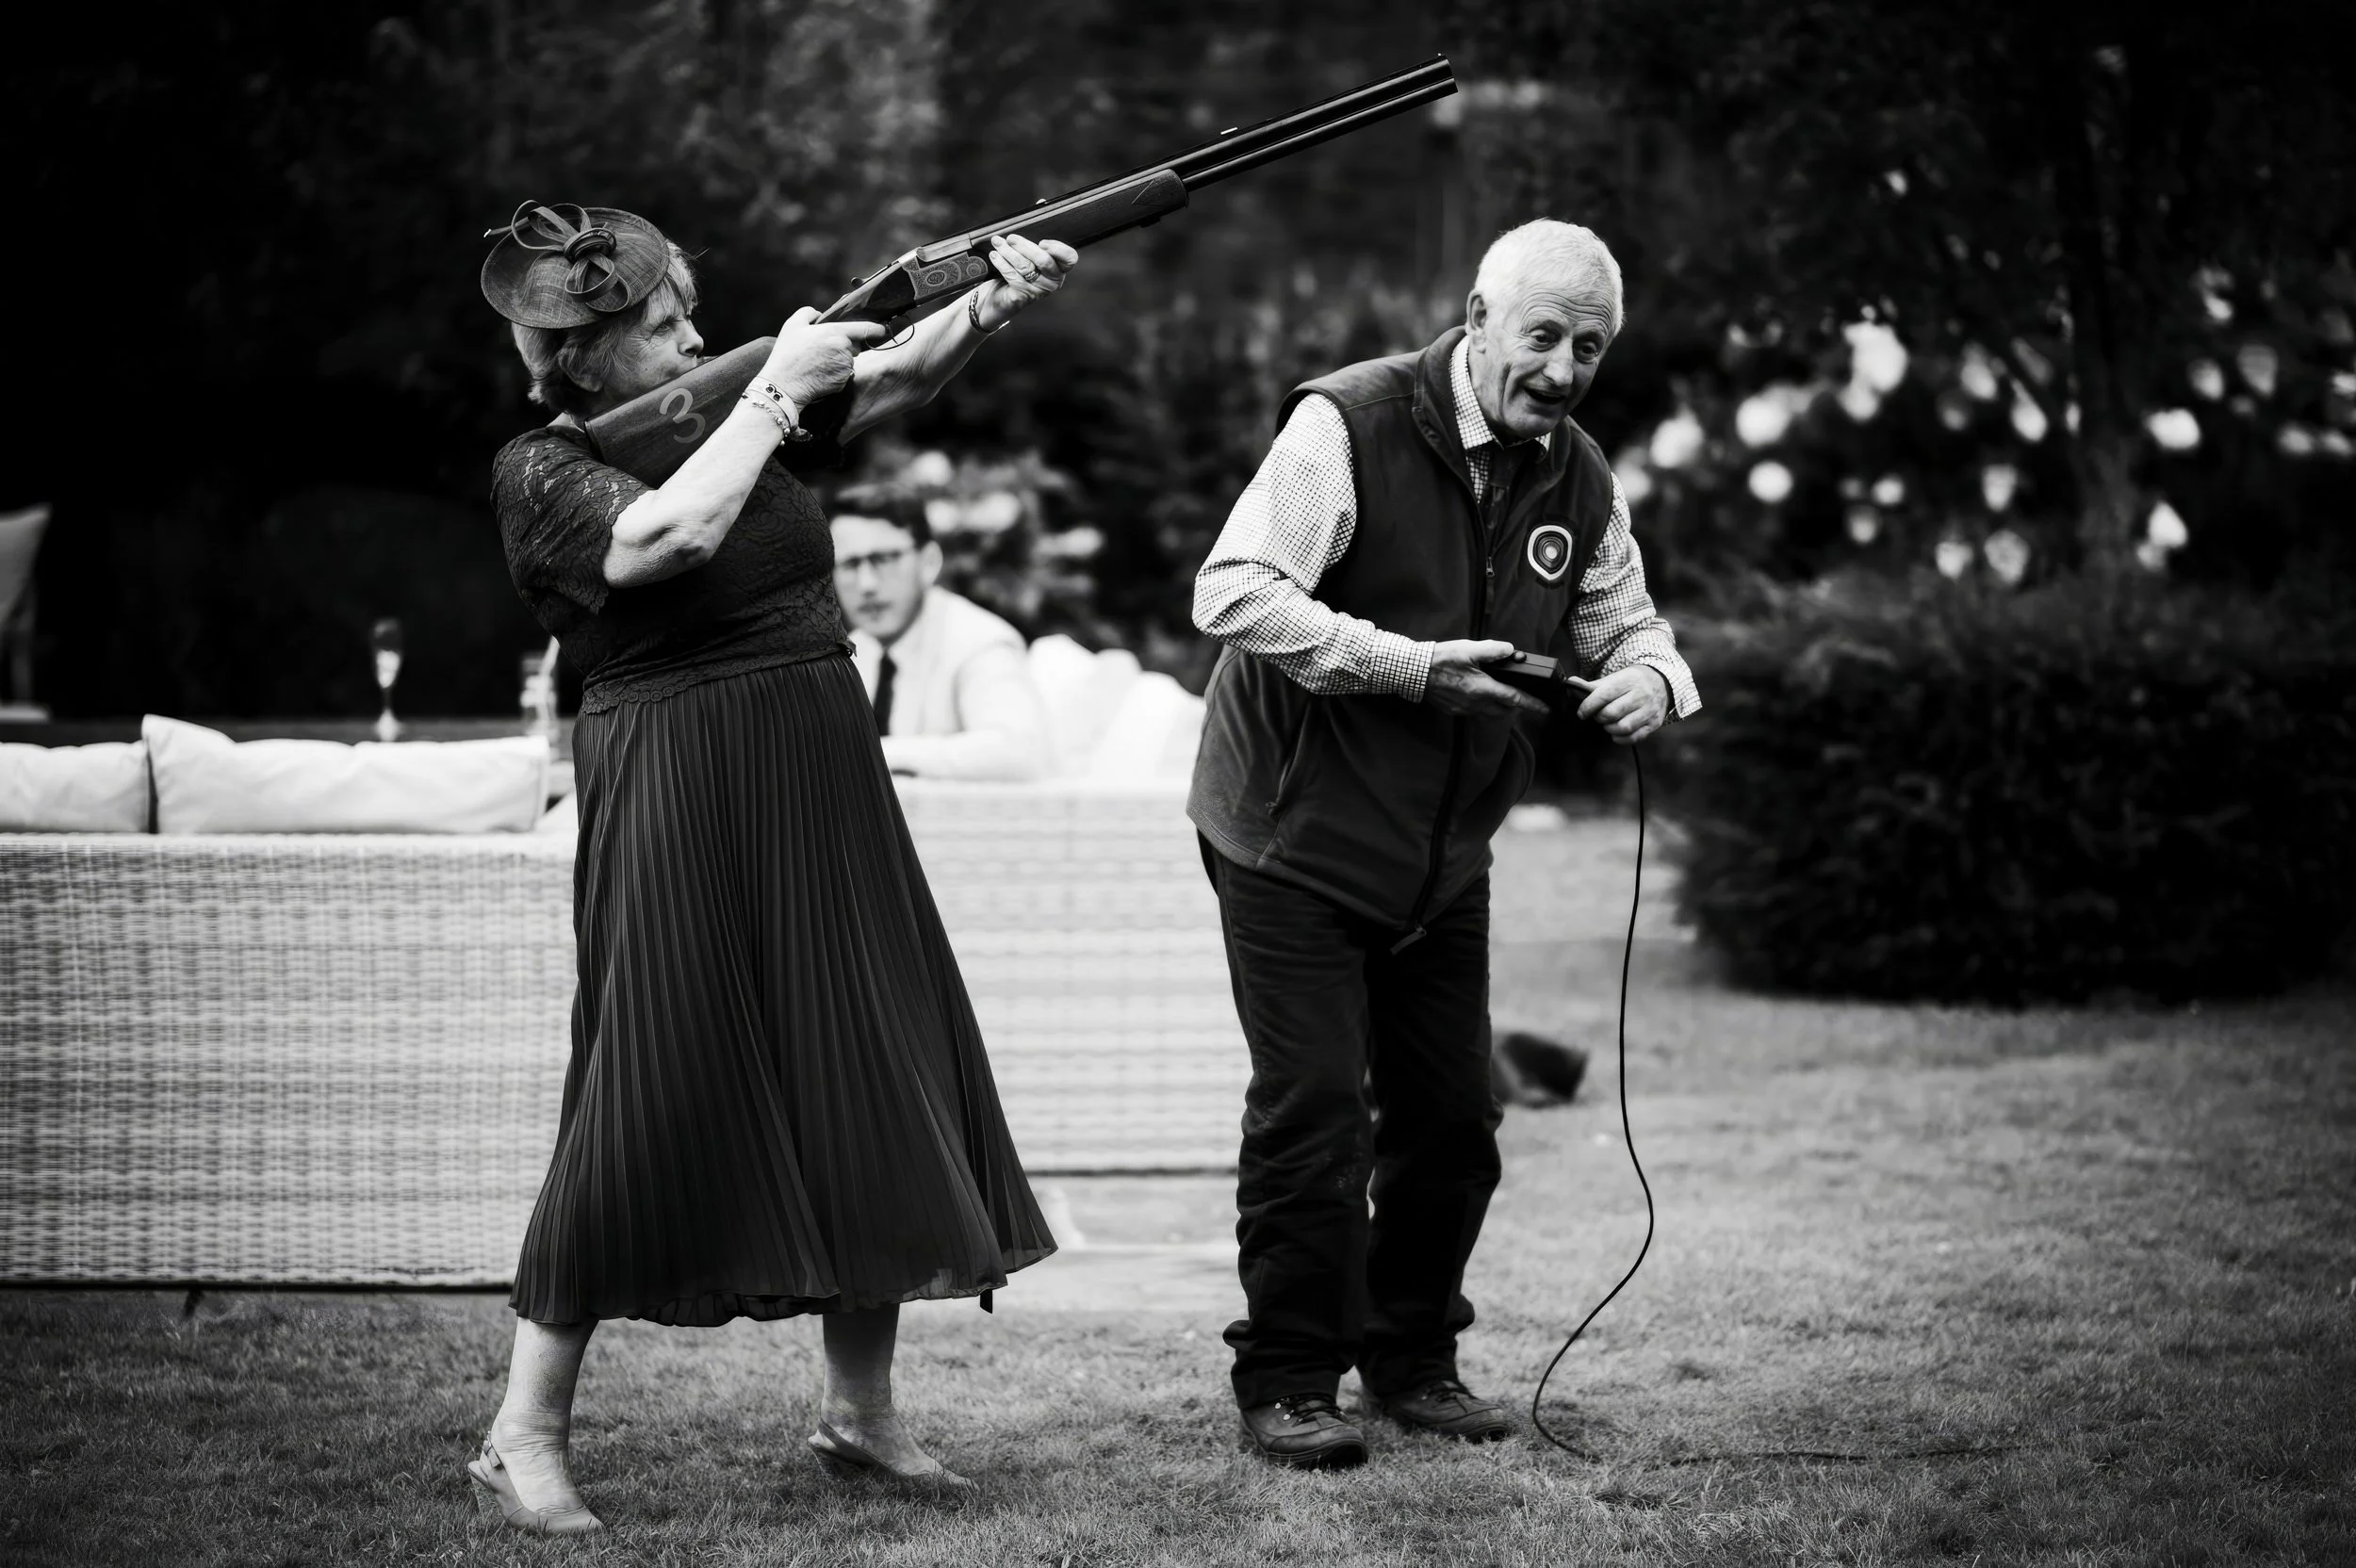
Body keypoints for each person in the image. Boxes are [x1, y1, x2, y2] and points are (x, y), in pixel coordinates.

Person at [473, 201, 1078, 1533]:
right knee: (645, 1075)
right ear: (583, 359)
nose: (698, 335)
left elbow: (894, 369)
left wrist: (986, 300)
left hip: (818, 764)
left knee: (864, 1049)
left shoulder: (731, 407)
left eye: (690, 314)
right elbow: (660, 543)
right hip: (680, 778)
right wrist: (769, 399)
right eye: (667, 326)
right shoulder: (543, 467)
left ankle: (859, 1417)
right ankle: (523, 1431)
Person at [1188, 219, 1700, 1468]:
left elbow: (1628, 622)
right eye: (1544, 336)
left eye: (1592, 347)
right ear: (1478, 315)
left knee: (1455, 1116)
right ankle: (1291, 1378)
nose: (1566, 368)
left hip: (1441, 858)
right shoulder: (1348, 424)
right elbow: (1235, 591)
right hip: (1289, 834)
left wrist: (1656, 677)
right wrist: (1412, 669)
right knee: (1314, 1112)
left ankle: (1411, 1359)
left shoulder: (1577, 474)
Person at [829, 482, 1052, 780]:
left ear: (929, 561)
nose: (866, 584)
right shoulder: (854, 653)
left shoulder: (978, 642)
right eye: (849, 564)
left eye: (884, 559)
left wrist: (875, 753)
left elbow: (1019, 753)